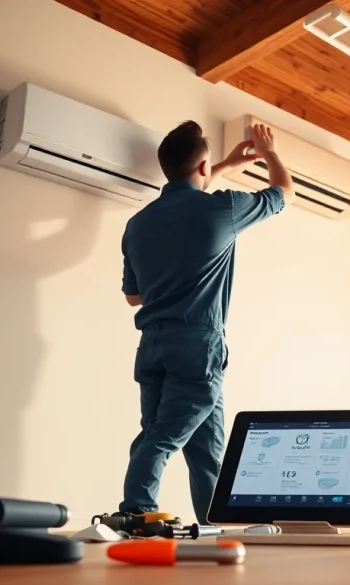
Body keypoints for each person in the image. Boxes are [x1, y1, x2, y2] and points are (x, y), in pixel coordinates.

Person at [118, 120, 294, 524]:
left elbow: (133, 296)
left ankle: (219, 526)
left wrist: (226, 164)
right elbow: (284, 193)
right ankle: (136, 514)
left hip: (153, 346)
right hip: (197, 346)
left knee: (206, 452)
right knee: (162, 437)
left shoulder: (138, 224)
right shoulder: (222, 209)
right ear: (202, 167)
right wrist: (269, 152)